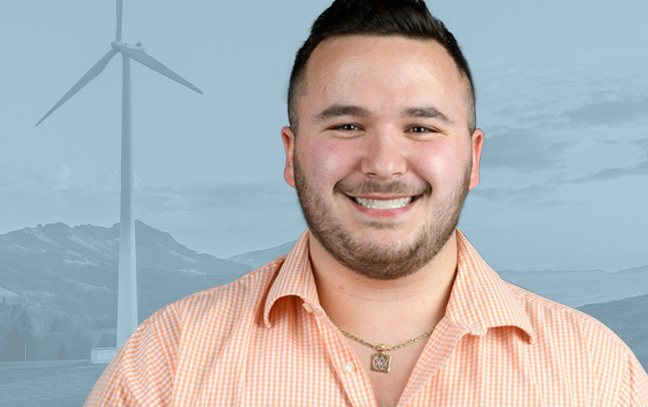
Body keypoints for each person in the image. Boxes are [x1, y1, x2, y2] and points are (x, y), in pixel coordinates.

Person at [85, 0, 648, 406]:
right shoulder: (169, 362)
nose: (383, 163)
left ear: (474, 159)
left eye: (422, 127)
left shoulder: (593, 374)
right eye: (348, 124)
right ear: (291, 154)